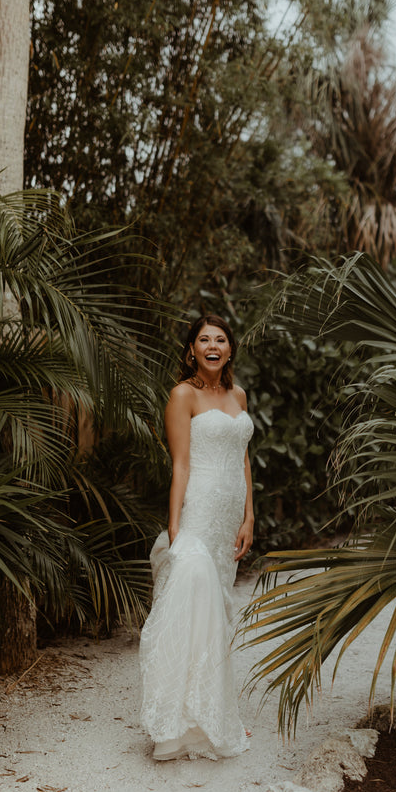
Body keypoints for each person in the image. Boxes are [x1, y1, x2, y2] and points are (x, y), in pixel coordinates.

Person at [139, 314, 254, 761]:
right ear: (192, 349)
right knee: (190, 601)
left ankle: (214, 711)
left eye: (220, 339)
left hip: (230, 517)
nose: (212, 345)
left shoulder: (238, 395)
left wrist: (249, 516)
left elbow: (244, 460)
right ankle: (177, 722)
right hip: (200, 511)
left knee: (219, 609)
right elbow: (180, 465)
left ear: (229, 349)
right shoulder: (182, 394)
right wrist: (176, 527)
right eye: (204, 339)